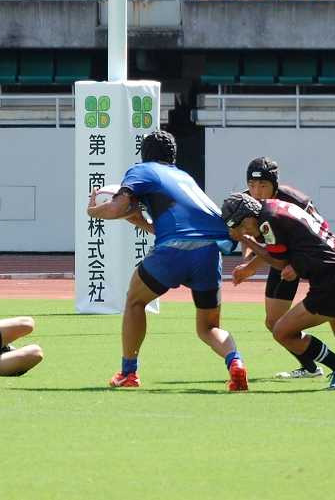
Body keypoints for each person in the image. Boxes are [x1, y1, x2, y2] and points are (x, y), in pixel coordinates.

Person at [86, 130, 248, 391]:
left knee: (135, 301)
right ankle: (235, 362)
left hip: (174, 252)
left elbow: (117, 207)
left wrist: (93, 211)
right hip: (209, 251)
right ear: (173, 156)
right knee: (208, 327)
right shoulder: (184, 177)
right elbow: (183, 228)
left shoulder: (142, 170)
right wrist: (140, 221)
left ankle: (128, 373)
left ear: (144, 154)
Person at [221, 192, 335, 391]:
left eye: (241, 225)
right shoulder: (273, 207)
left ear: (249, 215)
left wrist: (246, 239)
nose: (242, 230)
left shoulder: (268, 221)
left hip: (330, 284)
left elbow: (278, 262)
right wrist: (294, 264)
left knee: (281, 332)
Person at [241, 157, 335, 382]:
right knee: (274, 323)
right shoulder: (247, 201)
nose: (256, 192)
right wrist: (247, 259)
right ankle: (310, 367)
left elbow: (320, 234)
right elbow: (249, 234)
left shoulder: (296, 201)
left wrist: (251, 267)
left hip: (311, 261)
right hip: (280, 260)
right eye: (252, 185)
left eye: (263, 185)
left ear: (274, 185)